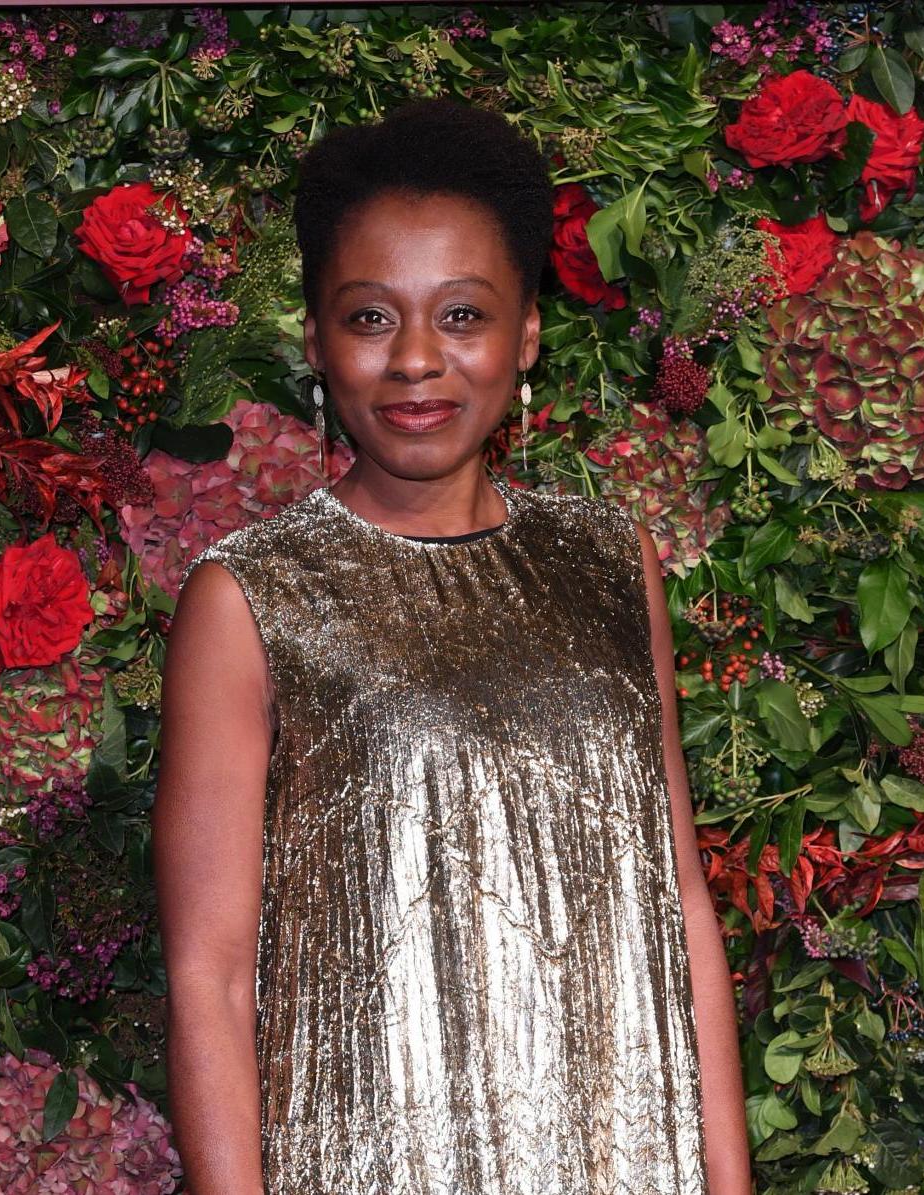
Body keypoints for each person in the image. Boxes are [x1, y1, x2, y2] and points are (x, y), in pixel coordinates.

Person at [153, 97, 751, 1194]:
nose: (417, 360)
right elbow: (209, 972)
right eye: (371, 318)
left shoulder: (614, 563)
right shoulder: (248, 599)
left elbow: (681, 906)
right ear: (317, 341)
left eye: (463, 315)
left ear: (525, 334)